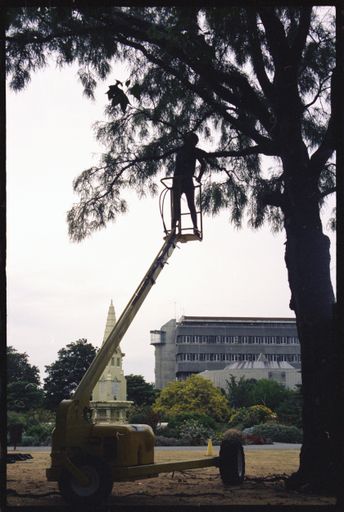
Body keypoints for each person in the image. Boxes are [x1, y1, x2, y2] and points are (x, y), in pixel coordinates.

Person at [172, 132, 207, 234]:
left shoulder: (192, 151)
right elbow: (203, 164)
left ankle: (195, 227)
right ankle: (174, 227)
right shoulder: (182, 150)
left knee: (190, 204)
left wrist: (199, 177)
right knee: (177, 204)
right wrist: (199, 178)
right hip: (179, 180)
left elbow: (203, 164)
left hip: (185, 180)